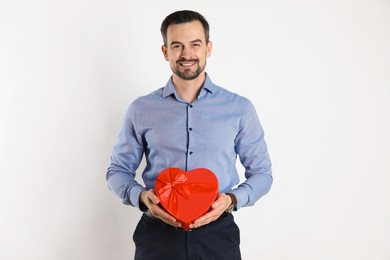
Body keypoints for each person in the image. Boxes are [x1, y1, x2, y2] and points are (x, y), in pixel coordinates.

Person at [106, 10, 272, 260]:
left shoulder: (240, 108)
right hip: (157, 236)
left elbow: (262, 173)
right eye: (177, 46)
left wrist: (231, 200)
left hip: (218, 236)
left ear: (208, 48)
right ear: (165, 52)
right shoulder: (140, 109)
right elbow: (117, 170)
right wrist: (141, 197)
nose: (187, 54)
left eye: (195, 44)